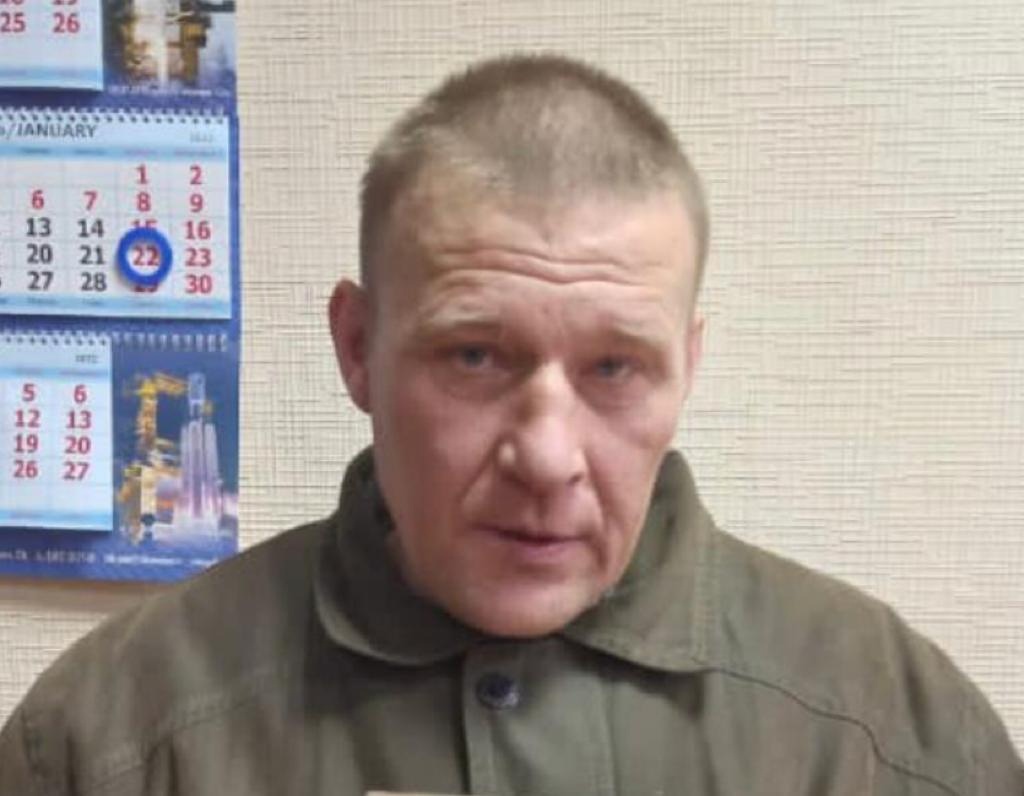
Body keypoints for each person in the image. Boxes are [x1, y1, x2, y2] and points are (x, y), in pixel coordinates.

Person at [1, 54, 1021, 796]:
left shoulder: (897, 740)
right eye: (475, 357)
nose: (545, 456)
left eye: (614, 368)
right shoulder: (110, 740)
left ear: (687, 368)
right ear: (357, 348)